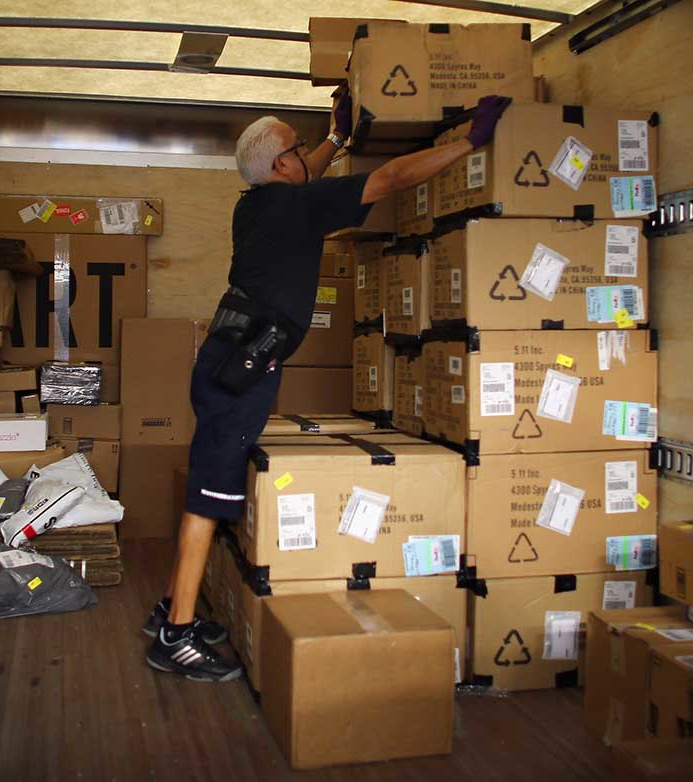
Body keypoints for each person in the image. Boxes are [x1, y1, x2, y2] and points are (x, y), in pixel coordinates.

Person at [142, 95, 514, 681]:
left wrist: (337, 138)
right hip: (243, 365)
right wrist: (470, 143)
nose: (304, 156)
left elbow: (307, 168)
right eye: (297, 148)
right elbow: (389, 178)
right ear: (280, 167)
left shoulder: (257, 205)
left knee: (212, 483)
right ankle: (175, 635)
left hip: (233, 355)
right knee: (209, 495)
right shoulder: (296, 207)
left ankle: (171, 604)